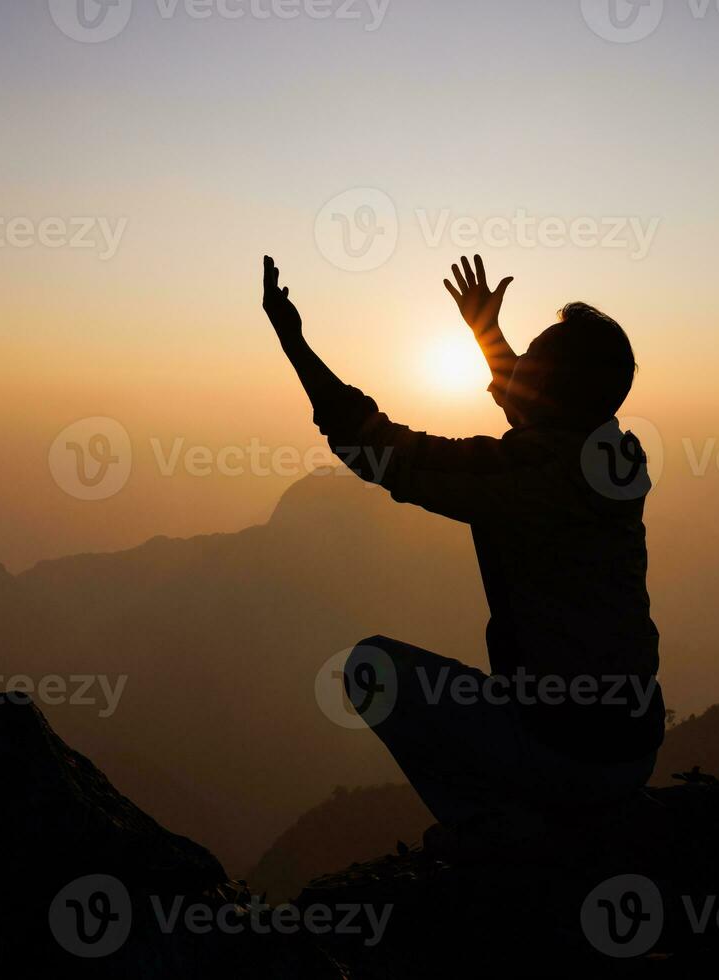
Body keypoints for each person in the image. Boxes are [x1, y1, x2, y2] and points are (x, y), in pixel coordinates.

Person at [262, 254, 663, 828]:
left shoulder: (525, 476)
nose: (516, 362)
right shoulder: (614, 456)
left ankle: (496, 832)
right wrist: (487, 333)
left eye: (531, 357)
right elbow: (535, 411)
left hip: (568, 754)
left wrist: (294, 344)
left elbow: (383, 452)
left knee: (371, 667)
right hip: (633, 748)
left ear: (549, 387)